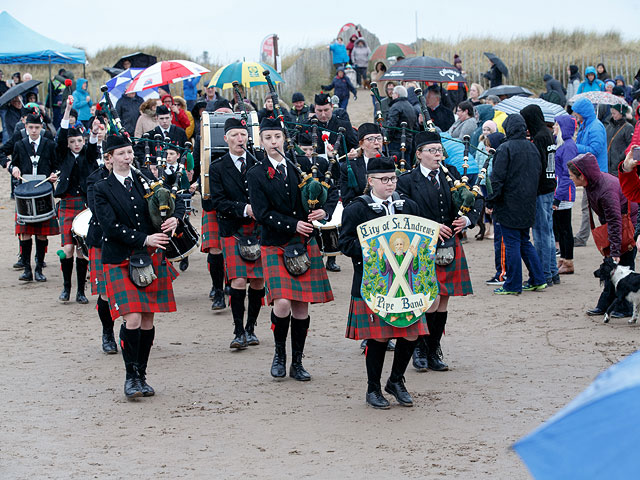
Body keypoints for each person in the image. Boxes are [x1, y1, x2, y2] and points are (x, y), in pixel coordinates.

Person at [93, 134, 183, 398]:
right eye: (121, 153)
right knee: (132, 317)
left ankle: (142, 374)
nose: (127, 157)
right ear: (109, 158)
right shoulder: (101, 188)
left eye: (129, 152)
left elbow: (171, 204)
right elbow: (110, 226)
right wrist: (145, 238)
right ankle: (130, 376)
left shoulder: (146, 181)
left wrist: (174, 220)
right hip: (119, 258)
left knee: (147, 319)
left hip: (149, 257)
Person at [246, 117, 333, 381]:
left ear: (285, 139)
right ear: (261, 142)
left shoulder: (302, 165)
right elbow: (261, 213)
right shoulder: (256, 173)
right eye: (268, 138)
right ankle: (279, 354)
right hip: (275, 243)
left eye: (278, 137)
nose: (274, 143)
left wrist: (323, 210)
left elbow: (330, 190)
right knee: (282, 303)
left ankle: (297, 361)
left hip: (304, 244)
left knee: (301, 308)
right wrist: (293, 224)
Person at [339, 156, 427, 409]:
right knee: (379, 338)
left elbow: (420, 240)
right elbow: (345, 244)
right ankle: (373, 389)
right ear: (370, 181)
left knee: (411, 334)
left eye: (393, 179)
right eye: (384, 179)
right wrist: (374, 247)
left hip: (407, 283)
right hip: (374, 282)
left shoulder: (408, 205)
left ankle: (396, 380)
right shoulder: (357, 209)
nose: (390, 184)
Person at [397, 130, 479, 372]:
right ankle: (420, 349)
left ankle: (433, 349)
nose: (437, 155)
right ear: (419, 154)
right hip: (421, 247)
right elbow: (404, 214)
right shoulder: (406, 181)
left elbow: (475, 199)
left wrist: (467, 220)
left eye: (439, 150)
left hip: (448, 246)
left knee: (442, 301)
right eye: (432, 151)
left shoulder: (452, 174)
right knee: (427, 301)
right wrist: (430, 228)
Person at [210, 118, 265, 349]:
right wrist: (244, 209)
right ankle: (238, 330)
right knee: (239, 280)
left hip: (260, 228)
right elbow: (218, 201)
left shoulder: (259, 162)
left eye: (243, 134)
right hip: (233, 228)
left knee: (259, 281)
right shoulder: (217, 166)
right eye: (234, 135)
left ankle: (251, 328)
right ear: (226, 139)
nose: (239, 139)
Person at [569, 154, 637, 318]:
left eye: (572, 176)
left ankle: (625, 308)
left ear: (582, 176)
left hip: (628, 227)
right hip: (621, 226)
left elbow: (615, 221)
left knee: (623, 268)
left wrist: (614, 251)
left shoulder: (605, 189)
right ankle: (605, 305)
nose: (570, 178)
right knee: (611, 268)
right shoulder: (594, 184)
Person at [487, 114, 546, 295]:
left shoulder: (505, 149)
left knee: (512, 243)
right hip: (528, 201)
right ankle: (538, 278)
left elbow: (497, 179)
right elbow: (539, 174)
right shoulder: (532, 148)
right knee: (524, 241)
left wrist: (491, 200)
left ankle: (513, 284)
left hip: (509, 203)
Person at [55, 97, 99, 304]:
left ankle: (81, 291)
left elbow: (92, 146)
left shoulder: (88, 156)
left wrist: (94, 131)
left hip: (83, 206)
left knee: (81, 250)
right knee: (68, 250)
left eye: (79, 141)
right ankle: (66, 288)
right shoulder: (62, 155)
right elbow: (62, 135)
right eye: (72, 142)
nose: (76, 145)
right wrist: (68, 110)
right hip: (66, 204)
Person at [8, 113, 60, 282]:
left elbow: (57, 166)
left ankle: (39, 268)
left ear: (42, 128)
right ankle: (27, 269)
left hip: (44, 191)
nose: (34, 131)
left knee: (41, 233)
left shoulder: (49, 144)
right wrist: (13, 169)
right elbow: (14, 163)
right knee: (25, 233)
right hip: (24, 192)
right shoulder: (19, 145)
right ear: (26, 127)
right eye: (30, 127)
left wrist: (54, 175)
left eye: (37, 128)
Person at [85, 125, 117, 353]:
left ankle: (130, 331)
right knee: (106, 292)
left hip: (128, 241)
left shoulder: (136, 177)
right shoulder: (94, 180)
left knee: (130, 289)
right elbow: (98, 211)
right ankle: (108, 333)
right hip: (101, 239)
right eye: (109, 157)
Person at [521, 104, 558, 286]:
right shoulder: (548, 133)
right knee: (548, 231)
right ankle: (552, 271)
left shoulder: (540, 136)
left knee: (541, 232)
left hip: (541, 188)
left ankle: (544, 272)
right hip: (550, 184)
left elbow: (538, 165)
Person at [572, 97, 608, 247]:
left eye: (577, 113)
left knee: (592, 207)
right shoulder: (587, 125)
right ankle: (588, 236)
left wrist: (576, 147)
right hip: (591, 172)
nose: (575, 115)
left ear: (583, 113)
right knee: (591, 207)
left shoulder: (595, 127)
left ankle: (584, 237)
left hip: (596, 174)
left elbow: (595, 150)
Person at [552, 115, 577, 276]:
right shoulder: (564, 145)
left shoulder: (568, 146)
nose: (554, 127)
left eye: (557, 125)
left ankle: (568, 261)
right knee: (561, 228)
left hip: (564, 192)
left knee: (565, 228)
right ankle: (564, 259)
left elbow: (568, 175)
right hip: (561, 189)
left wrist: (558, 196)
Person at [340, 123, 384, 207]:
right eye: (370, 139)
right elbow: (348, 201)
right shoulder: (351, 167)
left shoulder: (392, 163)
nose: (376, 142)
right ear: (361, 144)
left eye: (379, 138)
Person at [386, 85, 417, 160]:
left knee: (395, 164)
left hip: (397, 142)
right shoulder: (411, 107)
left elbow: (391, 125)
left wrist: (387, 138)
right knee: (407, 163)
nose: (392, 95)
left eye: (393, 93)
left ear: (397, 95)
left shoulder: (395, 107)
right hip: (409, 141)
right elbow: (415, 126)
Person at [606, 104, 634, 176]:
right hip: (608, 165)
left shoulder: (628, 128)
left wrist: (620, 158)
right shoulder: (609, 127)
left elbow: (630, 145)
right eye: (612, 113)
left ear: (621, 113)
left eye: (615, 113)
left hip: (619, 165)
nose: (613, 115)